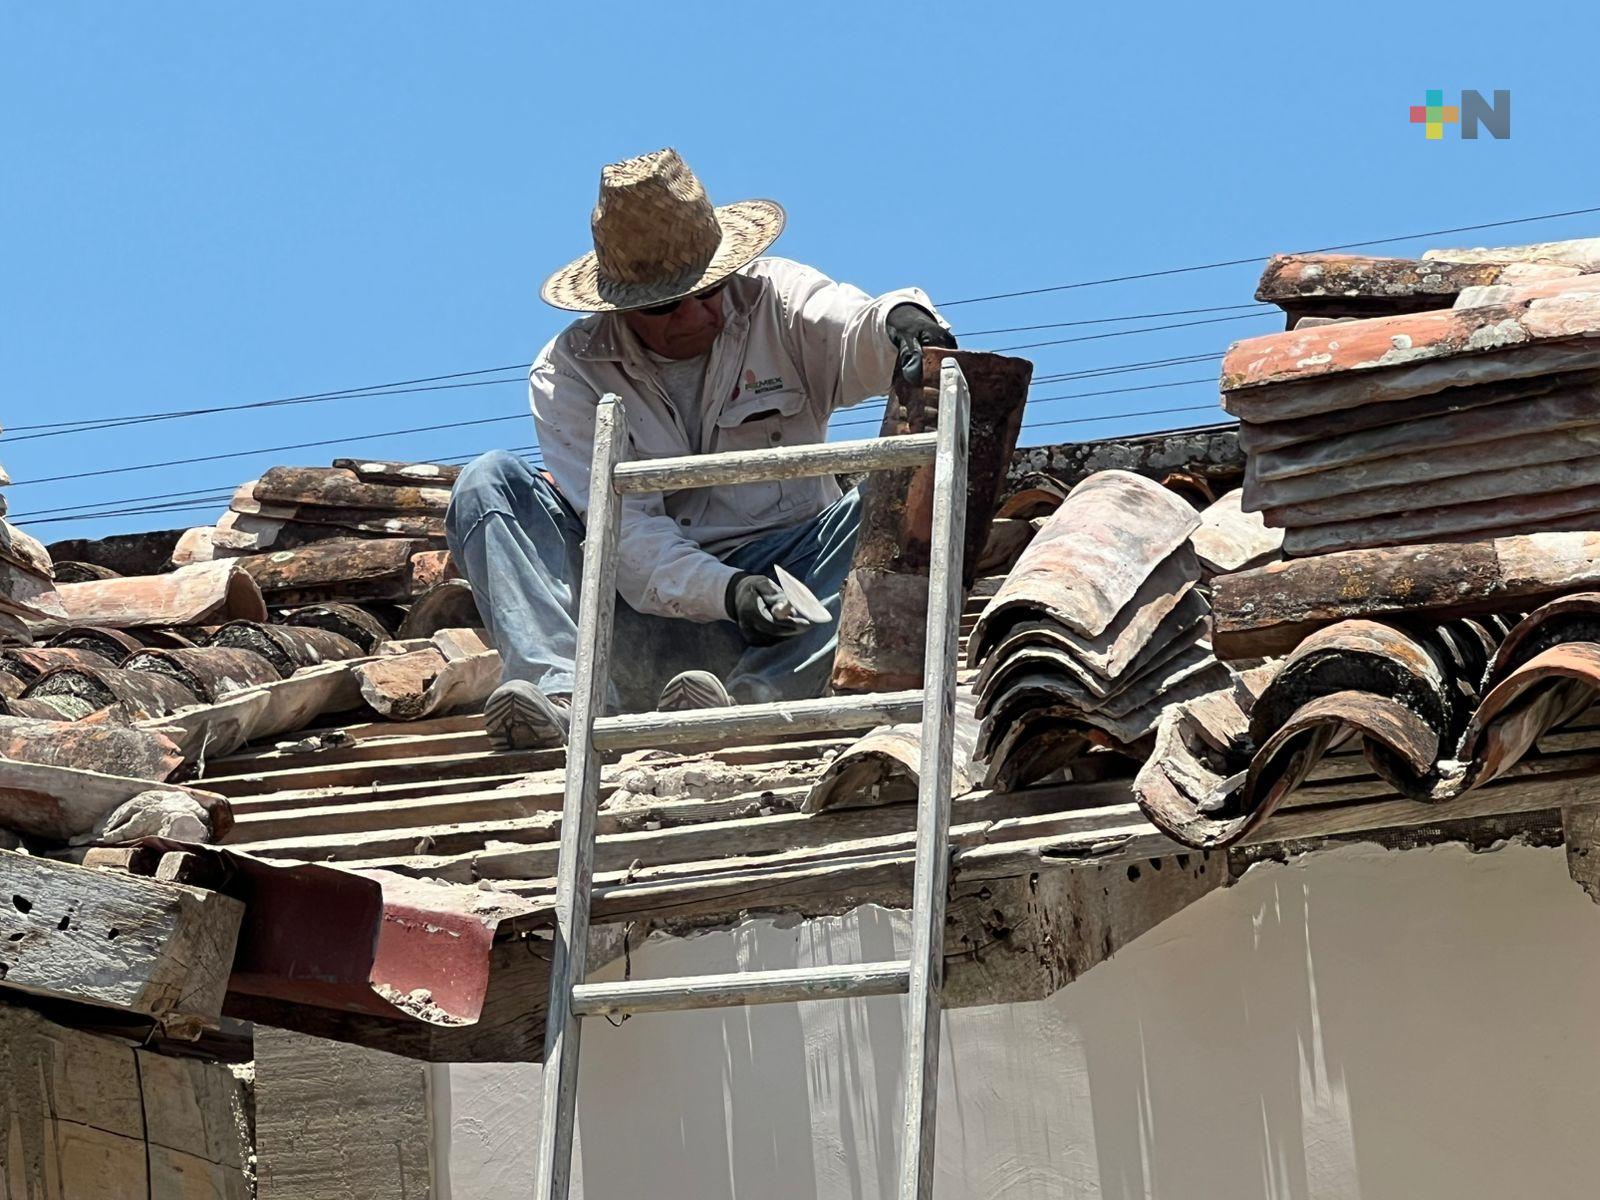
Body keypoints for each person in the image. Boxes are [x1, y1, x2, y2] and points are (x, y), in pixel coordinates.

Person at [446, 148, 955, 750]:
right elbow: (627, 540)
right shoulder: (569, 374)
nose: (696, 314)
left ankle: (752, 701)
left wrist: (901, 322)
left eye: (709, 290)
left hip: (794, 603)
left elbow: (852, 328)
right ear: (622, 305)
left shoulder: (777, 299)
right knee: (488, 482)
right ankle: (564, 697)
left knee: (900, 491)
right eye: (667, 304)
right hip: (646, 621)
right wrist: (728, 592)